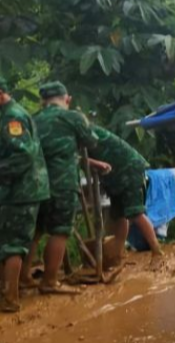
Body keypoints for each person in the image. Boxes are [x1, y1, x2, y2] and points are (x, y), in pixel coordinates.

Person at [29, 82, 102, 294]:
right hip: (63, 182)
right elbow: (92, 141)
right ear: (67, 99)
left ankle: (23, 277)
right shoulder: (72, 117)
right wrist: (84, 121)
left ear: (42, 101)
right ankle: (50, 281)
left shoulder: (32, 119)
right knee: (60, 230)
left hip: (35, 184)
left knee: (35, 230)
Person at [0, 76, 49, 312]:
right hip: (18, 190)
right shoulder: (7, 114)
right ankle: (15, 287)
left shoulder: (12, 117)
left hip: (21, 192)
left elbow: (22, 156)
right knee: (11, 242)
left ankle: (10, 299)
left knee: (12, 245)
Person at [87, 125, 164, 268]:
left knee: (135, 212)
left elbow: (82, 158)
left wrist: (91, 163)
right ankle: (118, 254)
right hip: (114, 176)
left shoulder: (85, 131)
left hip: (128, 169)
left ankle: (157, 253)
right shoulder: (77, 133)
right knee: (119, 215)